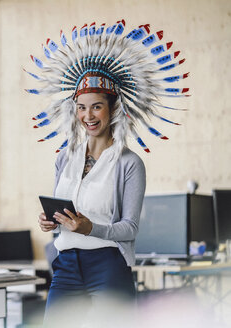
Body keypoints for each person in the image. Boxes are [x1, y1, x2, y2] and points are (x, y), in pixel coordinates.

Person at [24, 21, 189, 327]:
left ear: (113, 109)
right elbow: (62, 213)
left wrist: (91, 228)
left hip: (108, 267)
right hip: (66, 266)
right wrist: (51, 222)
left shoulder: (129, 163)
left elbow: (130, 228)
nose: (88, 116)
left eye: (97, 107)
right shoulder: (64, 158)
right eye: (82, 107)